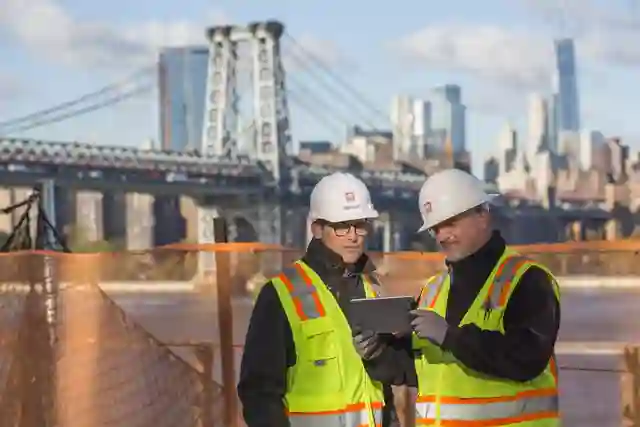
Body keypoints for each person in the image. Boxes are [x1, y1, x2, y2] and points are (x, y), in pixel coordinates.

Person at [238, 172, 414, 427]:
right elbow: (259, 393)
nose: (353, 236)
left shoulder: (371, 287)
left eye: (361, 224)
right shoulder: (281, 294)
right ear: (318, 229)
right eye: (342, 226)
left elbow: (381, 390)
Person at [409, 168, 561, 426]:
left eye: (450, 223)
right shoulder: (432, 290)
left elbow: (527, 357)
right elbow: (421, 369)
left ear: (482, 215)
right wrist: (380, 355)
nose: (442, 235)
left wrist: (450, 336)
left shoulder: (527, 280)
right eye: (435, 228)